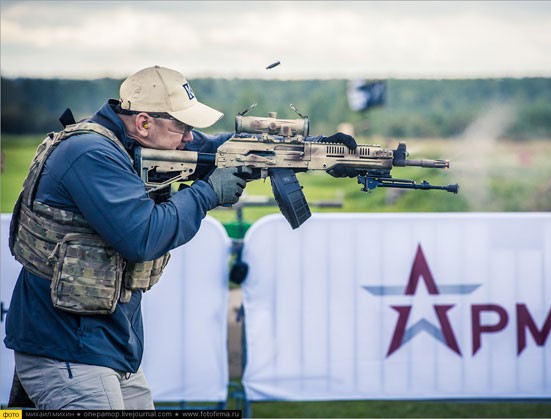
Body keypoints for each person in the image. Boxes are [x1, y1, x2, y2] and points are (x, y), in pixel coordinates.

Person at [4, 65, 357, 409]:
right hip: (67, 348)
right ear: (144, 122)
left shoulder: (134, 143)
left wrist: (311, 150)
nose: (189, 138)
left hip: (105, 345)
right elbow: (143, 236)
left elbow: (218, 147)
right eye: (182, 126)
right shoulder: (90, 154)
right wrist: (207, 193)